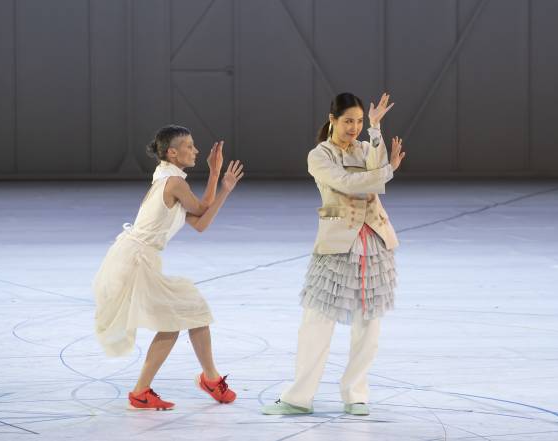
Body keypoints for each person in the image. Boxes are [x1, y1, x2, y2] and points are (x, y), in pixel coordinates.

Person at [262, 92, 405, 416]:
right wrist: (386, 172)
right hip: (337, 242)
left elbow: (377, 170)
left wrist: (376, 128)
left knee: (368, 322)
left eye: (358, 121)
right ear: (332, 121)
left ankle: (356, 394)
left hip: (375, 241)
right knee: (317, 320)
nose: (354, 127)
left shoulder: (366, 147)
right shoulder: (319, 155)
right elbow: (348, 183)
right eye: (348, 121)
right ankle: (299, 396)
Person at [93, 125, 244, 410]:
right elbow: (202, 209)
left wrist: (220, 184)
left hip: (135, 257)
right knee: (177, 317)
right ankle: (144, 391)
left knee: (192, 309)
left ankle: (208, 379)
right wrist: (218, 180)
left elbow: (200, 223)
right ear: (172, 153)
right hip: (135, 260)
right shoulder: (174, 183)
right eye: (189, 145)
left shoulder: (167, 177)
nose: (196, 150)